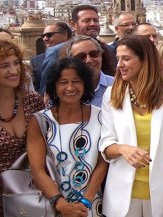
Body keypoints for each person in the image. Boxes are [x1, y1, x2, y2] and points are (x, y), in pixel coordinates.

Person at [99, 35, 163, 217]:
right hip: (122, 198)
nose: (119, 65)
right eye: (118, 59)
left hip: (160, 195)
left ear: (145, 60)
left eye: (126, 58)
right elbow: (106, 144)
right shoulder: (112, 94)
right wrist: (123, 149)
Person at [28, 57, 108, 216]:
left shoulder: (101, 116)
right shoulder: (41, 121)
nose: (70, 87)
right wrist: (60, 203)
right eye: (63, 82)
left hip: (91, 205)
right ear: (54, 87)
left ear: (85, 84)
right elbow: (37, 169)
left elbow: (103, 161)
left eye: (76, 81)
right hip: (53, 205)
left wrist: (87, 200)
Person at [0, 38, 46, 217]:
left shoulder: (33, 102)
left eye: (16, 63)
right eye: (4, 66)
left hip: (28, 193)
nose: (14, 70)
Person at [40, 5, 117, 94]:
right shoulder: (56, 52)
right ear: (73, 25)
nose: (93, 24)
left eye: (95, 20)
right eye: (87, 20)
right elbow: (47, 90)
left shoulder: (110, 49)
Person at [66, 36, 115, 108]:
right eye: (81, 56)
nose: (89, 60)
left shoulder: (118, 86)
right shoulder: (63, 91)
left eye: (93, 54)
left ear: (101, 56)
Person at [32, 22, 72, 92]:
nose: (45, 39)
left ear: (65, 35)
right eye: (43, 36)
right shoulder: (35, 61)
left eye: (49, 35)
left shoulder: (80, 54)